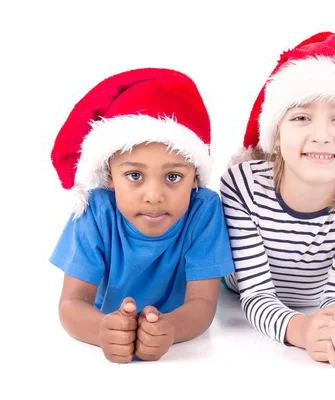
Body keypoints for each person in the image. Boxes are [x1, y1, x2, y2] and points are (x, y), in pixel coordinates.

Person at [220, 32, 335, 367]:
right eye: (300, 117)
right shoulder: (242, 185)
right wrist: (303, 332)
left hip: (312, 299)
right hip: (238, 291)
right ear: (276, 135)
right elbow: (255, 295)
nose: (322, 136)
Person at [49, 68, 235, 363]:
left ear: (196, 178)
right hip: (105, 318)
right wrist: (101, 329)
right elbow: (72, 302)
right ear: (109, 177)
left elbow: (203, 303)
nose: (154, 195)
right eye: (134, 175)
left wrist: (171, 328)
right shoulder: (95, 211)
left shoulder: (204, 211)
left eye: (173, 176)